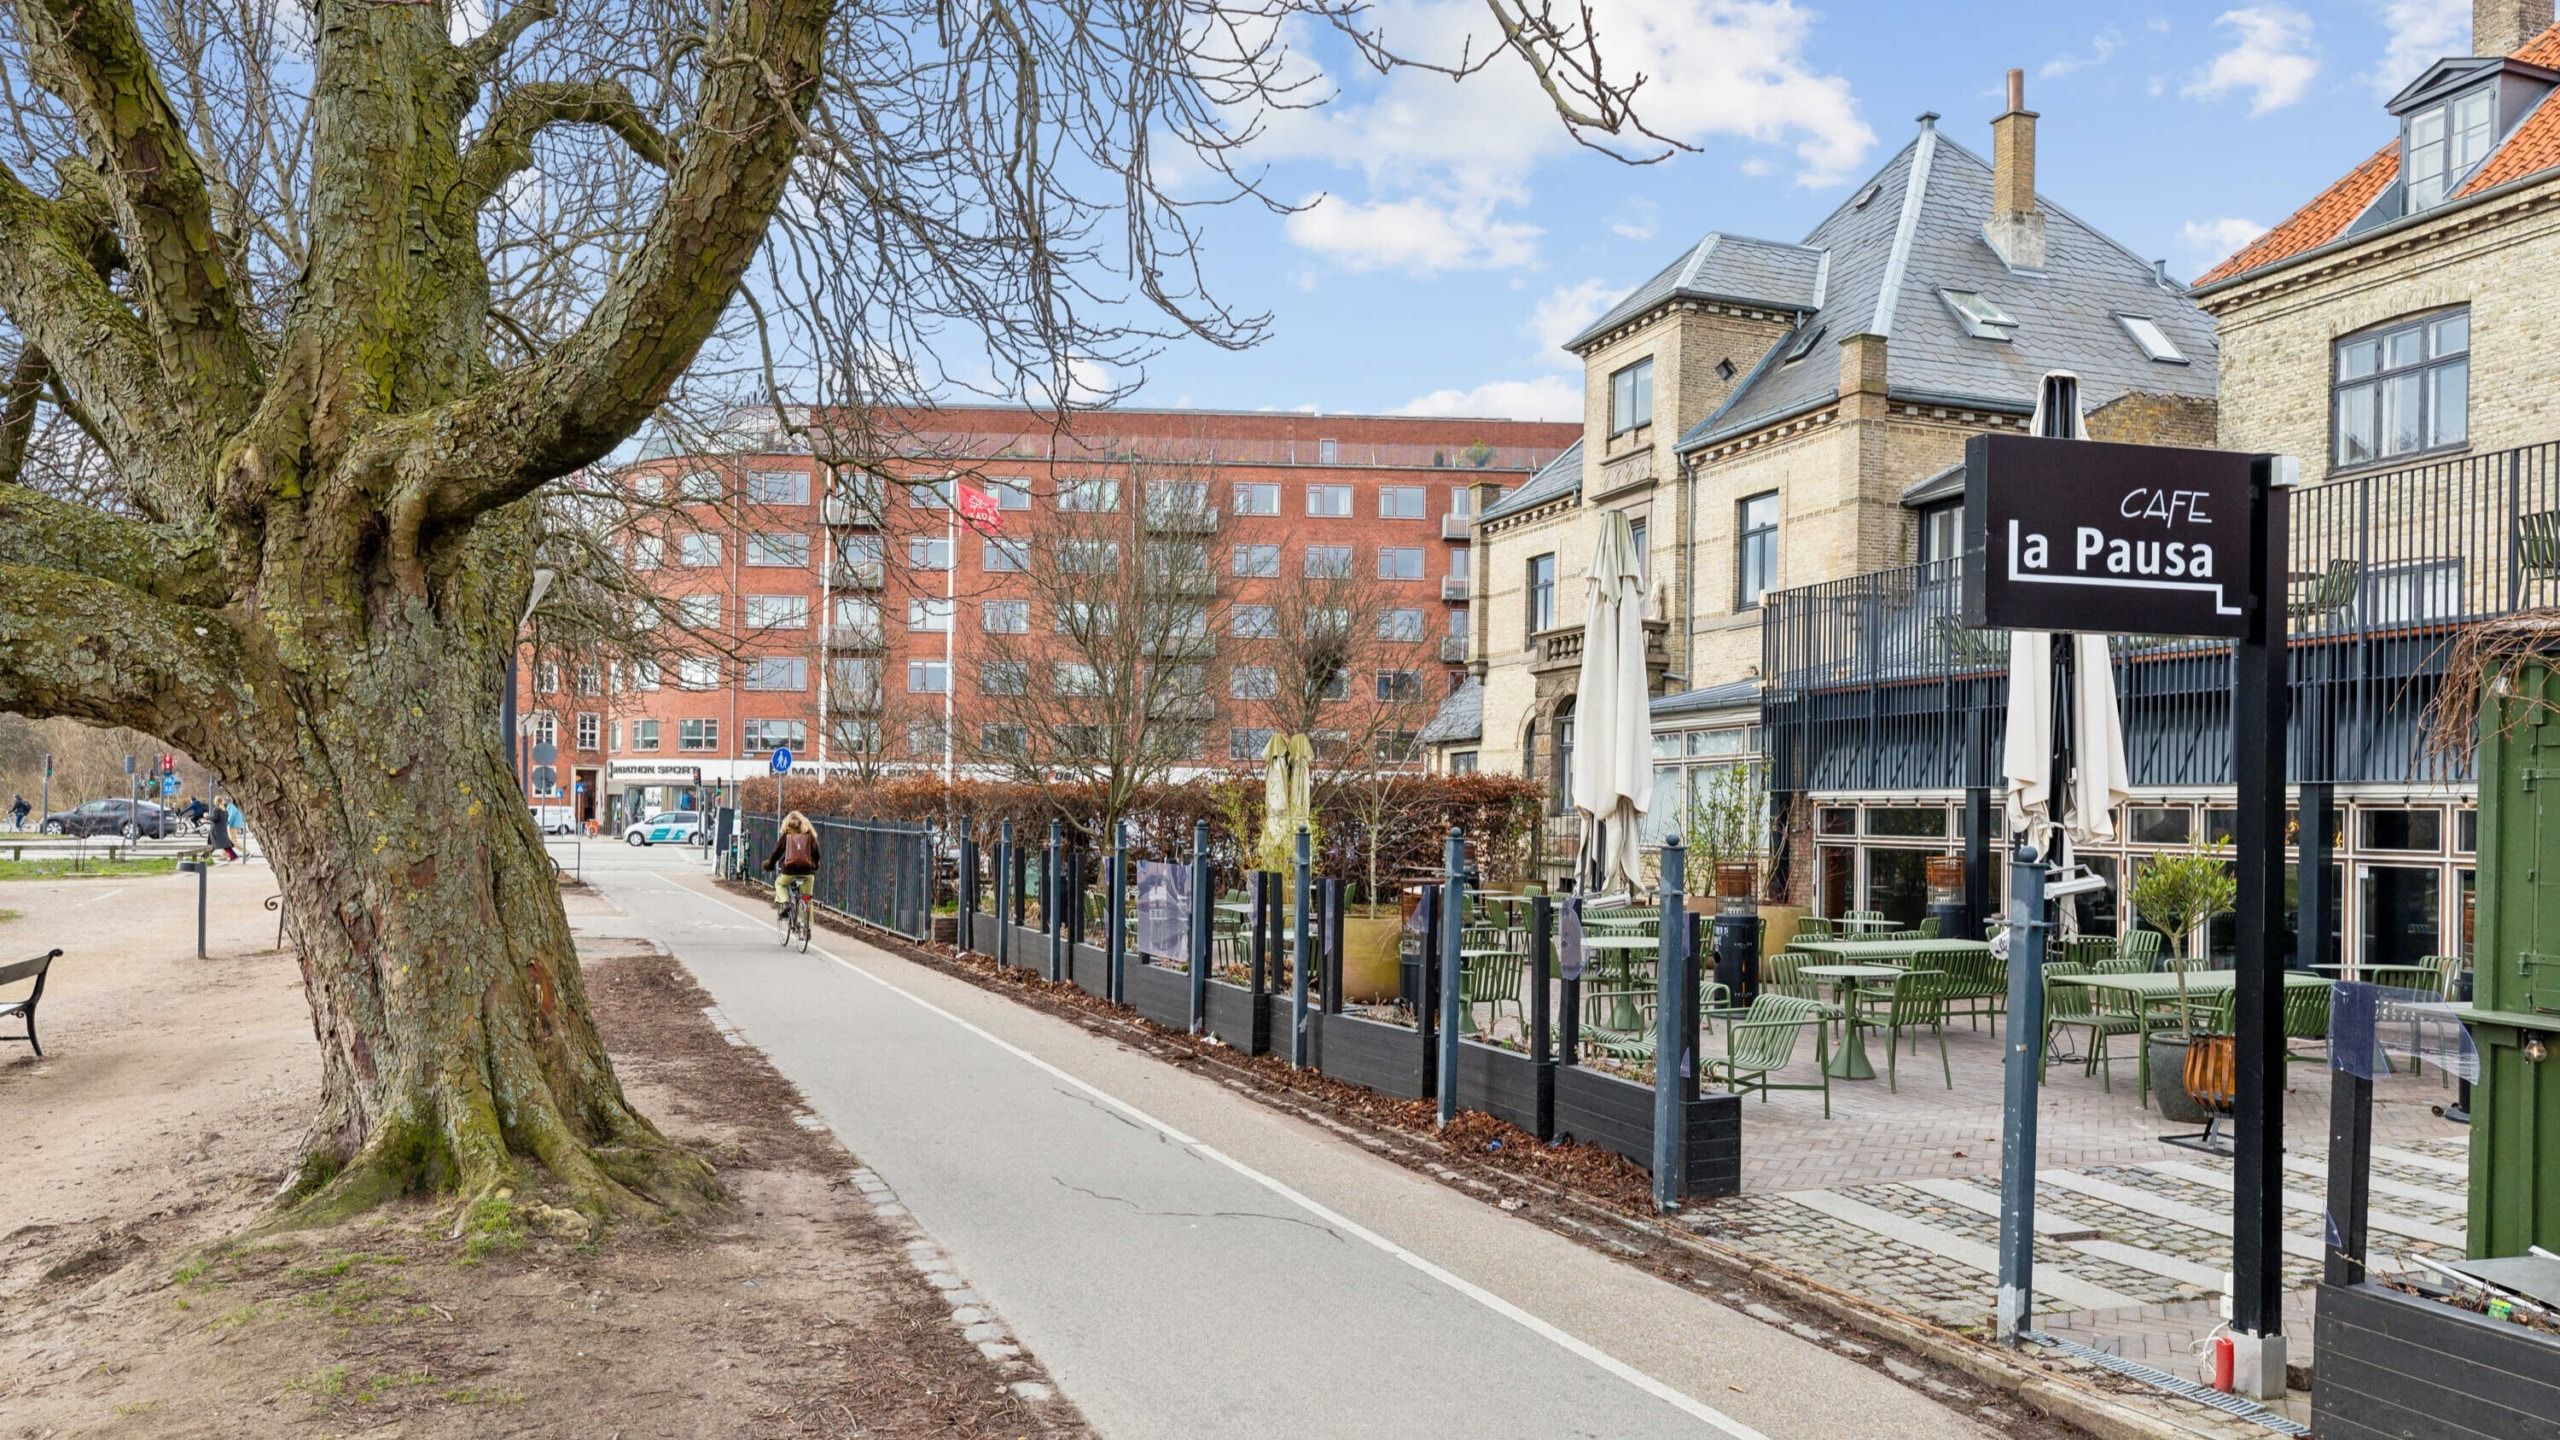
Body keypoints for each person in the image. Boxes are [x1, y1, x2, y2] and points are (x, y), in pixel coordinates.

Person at [765, 811, 821, 918]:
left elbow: (775, 853)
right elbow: (816, 854)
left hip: (789, 872)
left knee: (779, 884)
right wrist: (816, 864)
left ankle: (785, 903)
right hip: (807, 872)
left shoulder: (787, 836)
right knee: (807, 899)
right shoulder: (809, 836)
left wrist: (770, 865)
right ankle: (806, 929)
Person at [207, 796, 238, 862]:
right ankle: (233, 855)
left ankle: (204, 857)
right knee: (222, 844)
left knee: (213, 844)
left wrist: (207, 817)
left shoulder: (216, 809)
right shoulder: (225, 810)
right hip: (222, 830)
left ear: (216, 802)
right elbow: (226, 819)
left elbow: (215, 818)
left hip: (216, 830)